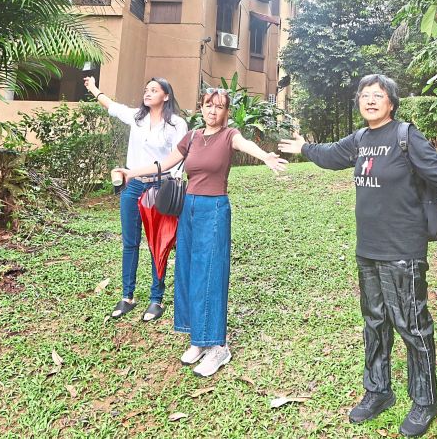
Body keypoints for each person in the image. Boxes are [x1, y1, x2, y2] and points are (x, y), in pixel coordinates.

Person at [277, 74, 437, 438]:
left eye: (378, 95)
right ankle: (378, 390)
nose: (370, 100)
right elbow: (330, 155)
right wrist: (305, 149)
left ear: (391, 102)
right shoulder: (359, 140)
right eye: (365, 95)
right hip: (368, 248)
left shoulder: (405, 136)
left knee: (412, 325)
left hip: (402, 249)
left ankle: (425, 400)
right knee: (375, 321)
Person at [111, 87, 288, 377]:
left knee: (210, 273)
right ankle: (196, 337)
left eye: (219, 107)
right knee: (188, 270)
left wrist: (266, 157)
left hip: (214, 209)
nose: (213, 111)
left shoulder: (229, 135)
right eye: (208, 105)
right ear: (201, 108)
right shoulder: (192, 137)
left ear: (226, 112)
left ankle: (217, 347)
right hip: (188, 208)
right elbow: (164, 164)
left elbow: (246, 145)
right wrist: (132, 173)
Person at [84, 75, 187, 322]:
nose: (148, 93)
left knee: (157, 243)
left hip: (159, 188)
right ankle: (127, 296)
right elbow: (112, 107)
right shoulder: (137, 118)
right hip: (132, 187)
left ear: (166, 95)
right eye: (146, 89)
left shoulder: (176, 124)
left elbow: (179, 157)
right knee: (130, 242)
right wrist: (94, 88)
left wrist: (172, 183)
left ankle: (156, 299)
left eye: (154, 90)